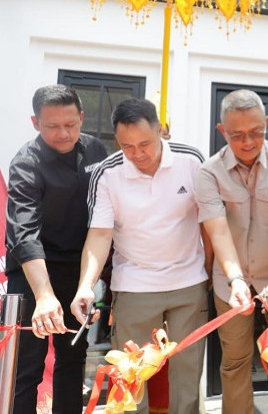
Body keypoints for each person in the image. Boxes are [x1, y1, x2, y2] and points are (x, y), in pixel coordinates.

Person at [70, 98, 209, 413]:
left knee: (186, 375)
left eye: (145, 143)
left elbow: (210, 222)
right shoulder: (108, 173)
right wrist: (85, 285)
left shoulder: (191, 160)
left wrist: (213, 271)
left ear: (161, 130)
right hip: (133, 284)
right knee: (130, 375)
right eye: (127, 146)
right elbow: (100, 234)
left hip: (188, 282)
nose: (138, 153)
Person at [194, 89, 268, 414]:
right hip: (230, 283)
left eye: (256, 132)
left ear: (267, 123)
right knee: (235, 362)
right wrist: (236, 280)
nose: (248, 142)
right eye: (237, 135)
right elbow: (217, 230)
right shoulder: (209, 172)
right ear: (222, 132)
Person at [4, 85, 107, 413]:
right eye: (52, 126)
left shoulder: (96, 152)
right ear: (36, 122)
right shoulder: (25, 163)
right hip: (33, 271)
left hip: (78, 269)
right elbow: (25, 233)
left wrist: (91, 282)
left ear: (81, 117)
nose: (64, 134)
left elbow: (105, 219)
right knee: (27, 365)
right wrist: (45, 296)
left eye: (71, 124)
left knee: (73, 358)